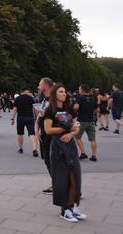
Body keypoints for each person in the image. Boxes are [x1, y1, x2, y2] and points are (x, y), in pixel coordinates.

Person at [43, 84, 86, 223]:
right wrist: (65, 129)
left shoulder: (70, 110)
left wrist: (71, 133)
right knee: (62, 178)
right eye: (61, 92)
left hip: (70, 144)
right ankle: (65, 209)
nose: (64, 94)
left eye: (65, 92)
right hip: (57, 146)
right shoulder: (50, 110)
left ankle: (73, 206)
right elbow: (48, 130)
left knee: (75, 176)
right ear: (55, 94)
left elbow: (76, 127)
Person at [35, 77, 54, 194]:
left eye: (39, 84)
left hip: (51, 134)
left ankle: (66, 185)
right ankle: (55, 184)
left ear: (45, 86)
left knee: (54, 160)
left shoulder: (54, 99)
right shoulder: (44, 99)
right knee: (47, 159)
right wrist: (36, 129)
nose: (38, 87)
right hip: (44, 134)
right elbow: (40, 116)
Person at [11, 86, 38, 156]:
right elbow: (35, 109)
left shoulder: (17, 99)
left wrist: (12, 119)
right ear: (26, 91)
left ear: (21, 91)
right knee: (32, 133)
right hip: (30, 117)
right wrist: (36, 117)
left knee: (20, 133)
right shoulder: (31, 98)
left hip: (20, 118)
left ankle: (20, 148)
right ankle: (34, 149)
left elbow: (14, 110)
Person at [73, 85, 97, 162]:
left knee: (77, 136)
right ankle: (94, 156)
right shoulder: (93, 98)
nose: (79, 90)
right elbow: (97, 109)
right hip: (91, 121)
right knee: (92, 139)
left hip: (81, 120)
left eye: (79, 89)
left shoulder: (79, 98)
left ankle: (83, 153)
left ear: (82, 90)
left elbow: (76, 107)